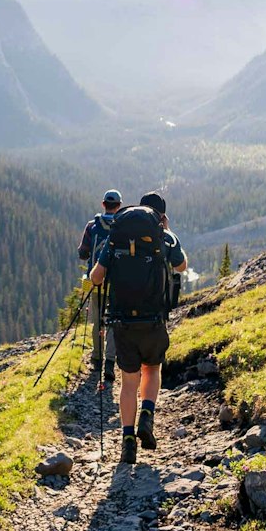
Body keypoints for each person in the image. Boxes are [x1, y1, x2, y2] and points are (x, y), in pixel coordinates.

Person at [88, 190, 186, 465]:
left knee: (128, 381)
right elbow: (181, 265)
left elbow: (96, 278)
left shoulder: (116, 238)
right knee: (152, 369)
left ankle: (128, 440)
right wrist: (168, 232)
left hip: (122, 321)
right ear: (161, 216)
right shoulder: (164, 237)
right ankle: (148, 413)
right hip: (153, 319)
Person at [76, 189, 122, 382]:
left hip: (95, 279)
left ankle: (97, 357)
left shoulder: (91, 226)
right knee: (112, 320)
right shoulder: (122, 225)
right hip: (117, 282)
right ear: (119, 205)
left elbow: (83, 254)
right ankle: (110, 360)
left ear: (103, 204)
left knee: (96, 319)